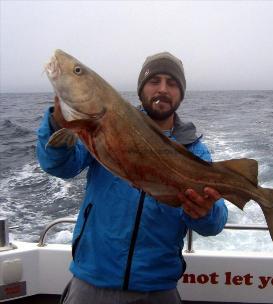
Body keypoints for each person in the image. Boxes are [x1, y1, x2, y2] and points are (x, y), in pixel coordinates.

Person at [36, 51, 228, 304]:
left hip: (157, 289)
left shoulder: (194, 150)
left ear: (181, 93)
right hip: (91, 282)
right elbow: (59, 166)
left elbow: (214, 224)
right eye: (154, 81)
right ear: (141, 89)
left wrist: (205, 212)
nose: (162, 89)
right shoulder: (103, 125)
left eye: (171, 83)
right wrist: (58, 123)